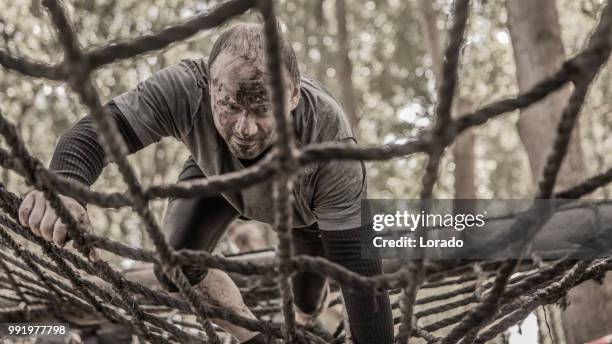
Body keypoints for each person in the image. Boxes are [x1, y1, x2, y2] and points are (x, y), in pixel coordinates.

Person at [17, 23, 393, 343]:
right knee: (174, 267)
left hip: (302, 208)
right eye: (229, 106)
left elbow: (359, 275)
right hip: (216, 177)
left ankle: (312, 316)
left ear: (293, 96)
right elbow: (99, 129)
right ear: (209, 87)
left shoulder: (331, 149)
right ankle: (255, 337)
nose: (245, 130)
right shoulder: (186, 88)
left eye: (263, 110)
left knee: (307, 300)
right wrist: (64, 186)